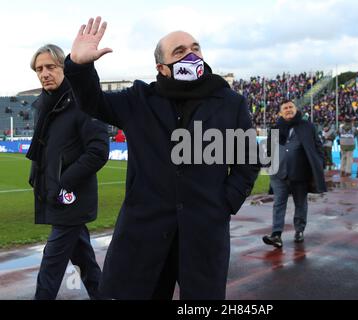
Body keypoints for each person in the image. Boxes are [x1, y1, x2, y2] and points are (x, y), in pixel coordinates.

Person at [65, 17, 259, 300]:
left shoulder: (230, 102)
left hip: (205, 232)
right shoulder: (139, 99)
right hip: (144, 232)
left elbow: (248, 159)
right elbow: (93, 101)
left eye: (195, 48)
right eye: (179, 51)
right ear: (161, 67)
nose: (191, 55)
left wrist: (225, 202)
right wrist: (79, 66)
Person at [26, 44, 109, 300]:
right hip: (54, 194)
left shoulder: (82, 102)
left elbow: (98, 151)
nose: (44, 73)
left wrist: (64, 183)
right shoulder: (45, 106)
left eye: (51, 67)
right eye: (39, 69)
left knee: (50, 266)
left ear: (64, 67)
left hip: (69, 198)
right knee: (85, 261)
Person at [262, 101, 326, 248]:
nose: (288, 110)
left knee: (300, 204)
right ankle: (276, 234)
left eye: (291, 107)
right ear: (280, 112)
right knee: (278, 203)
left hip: (300, 172)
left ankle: (299, 230)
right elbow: (270, 151)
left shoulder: (307, 126)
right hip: (278, 173)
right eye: (285, 108)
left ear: (296, 109)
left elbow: (318, 146)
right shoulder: (274, 129)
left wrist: (320, 163)